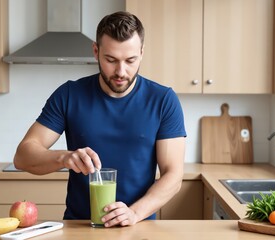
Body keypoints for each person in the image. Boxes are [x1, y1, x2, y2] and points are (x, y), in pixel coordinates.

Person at [13, 11, 186, 227]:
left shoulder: (163, 100)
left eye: (130, 60)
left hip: (138, 226)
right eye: (111, 60)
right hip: (80, 227)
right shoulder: (69, 95)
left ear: (142, 53)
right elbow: (22, 156)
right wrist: (64, 158)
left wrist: (133, 213)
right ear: (96, 51)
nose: (121, 71)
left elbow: (174, 175)